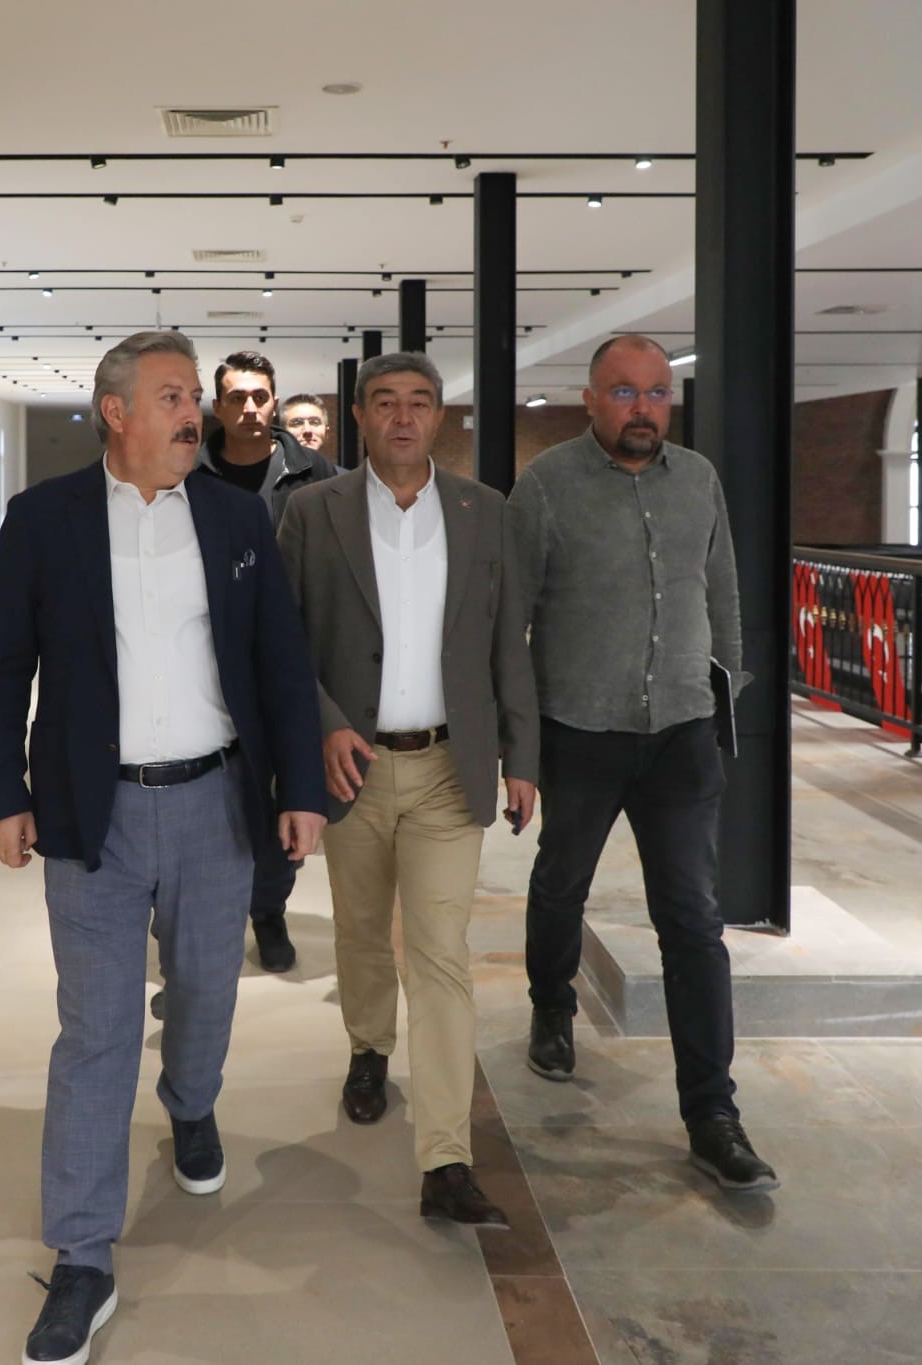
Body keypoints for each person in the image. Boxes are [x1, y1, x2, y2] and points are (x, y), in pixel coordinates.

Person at [0, 331, 326, 1365]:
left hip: (216, 802)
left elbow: (280, 660)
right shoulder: (45, 518)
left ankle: (191, 1103)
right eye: (172, 397)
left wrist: (300, 790)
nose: (193, 414)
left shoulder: (233, 516)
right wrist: (4, 795)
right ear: (115, 412)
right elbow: (1, 666)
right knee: (95, 1031)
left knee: (206, 992)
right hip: (95, 814)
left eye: (193, 396)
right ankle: (82, 1254)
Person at [507, 333, 778, 1194]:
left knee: (693, 922)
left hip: (681, 734)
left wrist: (725, 686)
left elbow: (723, 590)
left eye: (657, 392)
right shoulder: (547, 485)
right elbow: (511, 614)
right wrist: (519, 742)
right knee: (562, 882)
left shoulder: (697, 480)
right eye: (623, 392)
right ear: (590, 399)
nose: (643, 408)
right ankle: (552, 1006)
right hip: (580, 729)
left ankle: (713, 1113)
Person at [277, 351, 538, 1225]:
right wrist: (321, 726)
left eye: (418, 402)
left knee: (439, 954)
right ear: (358, 416)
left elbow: (508, 642)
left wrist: (523, 755)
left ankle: (447, 1159)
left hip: (447, 769)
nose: (401, 416)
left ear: (438, 417)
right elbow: (282, 639)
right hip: (352, 763)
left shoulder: (484, 511)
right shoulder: (313, 511)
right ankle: (367, 1045)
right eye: (384, 402)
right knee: (360, 930)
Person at [173, 354, 341, 993]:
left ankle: (268, 909)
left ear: (275, 404)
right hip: (205, 662)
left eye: (260, 396)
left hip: (291, 660)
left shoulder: (316, 475)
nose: (249, 407)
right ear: (217, 405)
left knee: (283, 796)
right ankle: (184, 929)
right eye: (236, 396)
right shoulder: (186, 469)